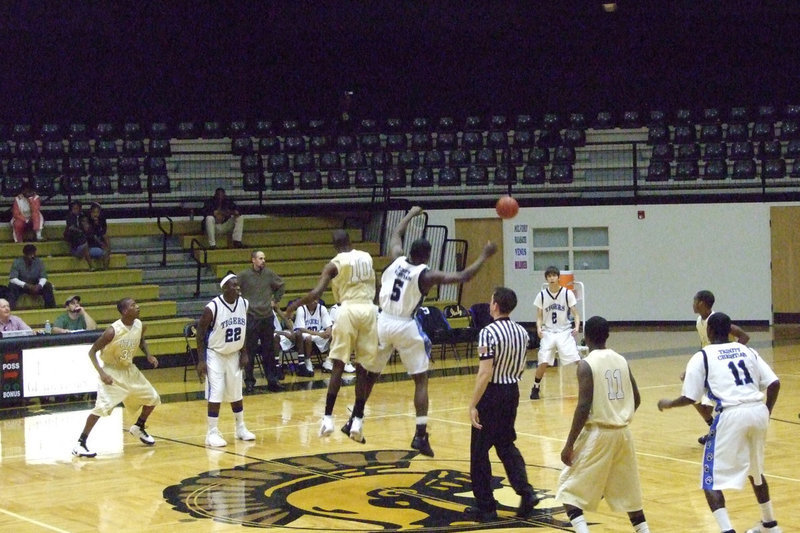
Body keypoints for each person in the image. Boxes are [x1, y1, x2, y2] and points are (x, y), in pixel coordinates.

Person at [358, 206, 497, 457]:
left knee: (371, 374)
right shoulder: (425, 274)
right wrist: (484, 255)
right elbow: (464, 276)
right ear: (427, 256)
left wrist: (411, 214)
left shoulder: (396, 258)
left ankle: (356, 419)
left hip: (382, 321)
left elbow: (396, 234)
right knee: (420, 380)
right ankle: (420, 435)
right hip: (404, 324)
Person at [658, 312, 782, 533]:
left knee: (710, 480)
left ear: (710, 330)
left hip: (731, 414)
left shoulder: (703, 356)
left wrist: (669, 403)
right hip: (758, 412)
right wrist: (767, 412)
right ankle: (770, 525)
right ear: (730, 331)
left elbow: (690, 397)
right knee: (756, 471)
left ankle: (727, 530)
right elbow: (774, 383)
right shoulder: (747, 350)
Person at [556, 316, 651, 533]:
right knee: (630, 495)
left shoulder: (586, 364)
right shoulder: (621, 360)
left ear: (585, 336)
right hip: (623, 434)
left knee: (568, 490)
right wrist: (619, 414)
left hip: (599, 434)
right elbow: (636, 398)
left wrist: (569, 444)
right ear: (608, 335)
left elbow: (583, 407)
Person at [285, 229, 377, 442]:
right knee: (362, 368)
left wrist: (293, 306)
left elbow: (316, 293)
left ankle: (327, 418)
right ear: (350, 241)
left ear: (334, 246)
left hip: (348, 309)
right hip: (369, 309)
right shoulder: (366, 256)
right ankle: (357, 421)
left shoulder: (334, 264)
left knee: (338, 365)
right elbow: (377, 285)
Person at [467, 287, 538, 521]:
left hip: (492, 394)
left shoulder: (487, 333)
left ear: (495, 305)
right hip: (512, 392)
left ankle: (486, 506)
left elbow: (485, 373)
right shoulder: (522, 332)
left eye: (491, 301)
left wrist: (473, 404)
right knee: (506, 445)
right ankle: (526, 492)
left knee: (479, 452)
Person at [72, 298, 160, 457]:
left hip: (130, 370)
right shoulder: (112, 331)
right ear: (125, 311)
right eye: (133, 305)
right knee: (101, 408)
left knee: (153, 398)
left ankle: (139, 427)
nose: (138, 307)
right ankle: (80, 443)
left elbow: (140, 340)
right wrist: (102, 373)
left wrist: (148, 355)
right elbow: (92, 352)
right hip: (112, 372)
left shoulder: (139, 324)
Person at [196, 273, 257, 447]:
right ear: (224, 288)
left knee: (236, 393)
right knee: (216, 392)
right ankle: (211, 433)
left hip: (234, 354)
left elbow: (243, 330)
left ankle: (240, 428)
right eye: (233, 285)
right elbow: (200, 334)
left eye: (238, 285)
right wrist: (201, 360)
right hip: (215, 354)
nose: (238, 288)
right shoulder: (212, 307)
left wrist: (244, 352)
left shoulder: (244, 304)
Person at [691, 289, 751, 445]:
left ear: (701, 303)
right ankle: (715, 430)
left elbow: (744, 336)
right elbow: (704, 345)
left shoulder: (716, 320)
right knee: (693, 395)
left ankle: (718, 433)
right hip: (708, 366)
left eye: (694, 301)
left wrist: (732, 352)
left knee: (712, 402)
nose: (692, 304)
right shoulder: (699, 321)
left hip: (720, 368)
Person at [530, 265, 581, 400]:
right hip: (548, 331)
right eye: (549, 276)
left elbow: (576, 314)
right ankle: (535, 387)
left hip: (564, 331)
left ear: (558, 278)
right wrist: (539, 328)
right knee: (543, 361)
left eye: (554, 275)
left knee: (576, 359)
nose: (552, 278)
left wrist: (577, 326)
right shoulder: (541, 295)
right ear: (546, 279)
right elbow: (539, 316)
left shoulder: (567, 293)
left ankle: (588, 384)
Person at [237, 251, 285, 393]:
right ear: (253, 260)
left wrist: (275, 300)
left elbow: (281, 285)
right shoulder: (244, 275)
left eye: (264, 258)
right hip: (251, 317)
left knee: (268, 351)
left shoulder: (269, 274)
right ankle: (249, 381)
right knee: (250, 351)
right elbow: (233, 286)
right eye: (260, 258)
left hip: (267, 317)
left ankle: (272, 380)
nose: (263, 260)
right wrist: (240, 302)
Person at [8, 244, 56, 309]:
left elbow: (43, 277)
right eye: (30, 254)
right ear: (25, 254)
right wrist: (26, 285)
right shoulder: (17, 262)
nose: (32, 256)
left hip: (35, 286)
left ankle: (51, 308)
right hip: (22, 286)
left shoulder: (39, 262)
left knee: (48, 286)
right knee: (12, 286)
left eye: (33, 254)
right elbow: (13, 279)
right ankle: (10, 308)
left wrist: (39, 285)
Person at [292, 298, 332, 377]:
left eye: (316, 300)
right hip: (304, 333)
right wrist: (319, 334)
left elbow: (328, 325)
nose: (315, 301)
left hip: (318, 333)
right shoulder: (301, 309)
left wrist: (328, 331)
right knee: (308, 338)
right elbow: (301, 329)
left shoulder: (322, 308)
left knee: (333, 335)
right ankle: (307, 361)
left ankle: (328, 361)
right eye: (313, 299)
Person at [86, 202, 111, 270]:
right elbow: (91, 236)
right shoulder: (87, 222)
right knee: (103, 251)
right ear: (90, 213)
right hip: (90, 247)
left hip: (99, 246)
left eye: (97, 212)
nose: (95, 214)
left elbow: (103, 233)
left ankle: (106, 269)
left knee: (106, 238)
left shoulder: (101, 222)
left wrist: (98, 225)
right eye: (94, 212)